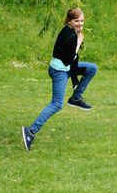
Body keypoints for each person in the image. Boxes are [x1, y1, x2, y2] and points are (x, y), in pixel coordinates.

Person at [22, 8, 98, 151]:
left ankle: (76, 98)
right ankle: (30, 131)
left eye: (82, 21)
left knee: (92, 68)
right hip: (59, 71)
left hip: (66, 68)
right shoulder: (70, 36)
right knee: (57, 104)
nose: (80, 24)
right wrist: (79, 42)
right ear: (69, 21)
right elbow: (70, 58)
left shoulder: (70, 31)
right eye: (77, 21)